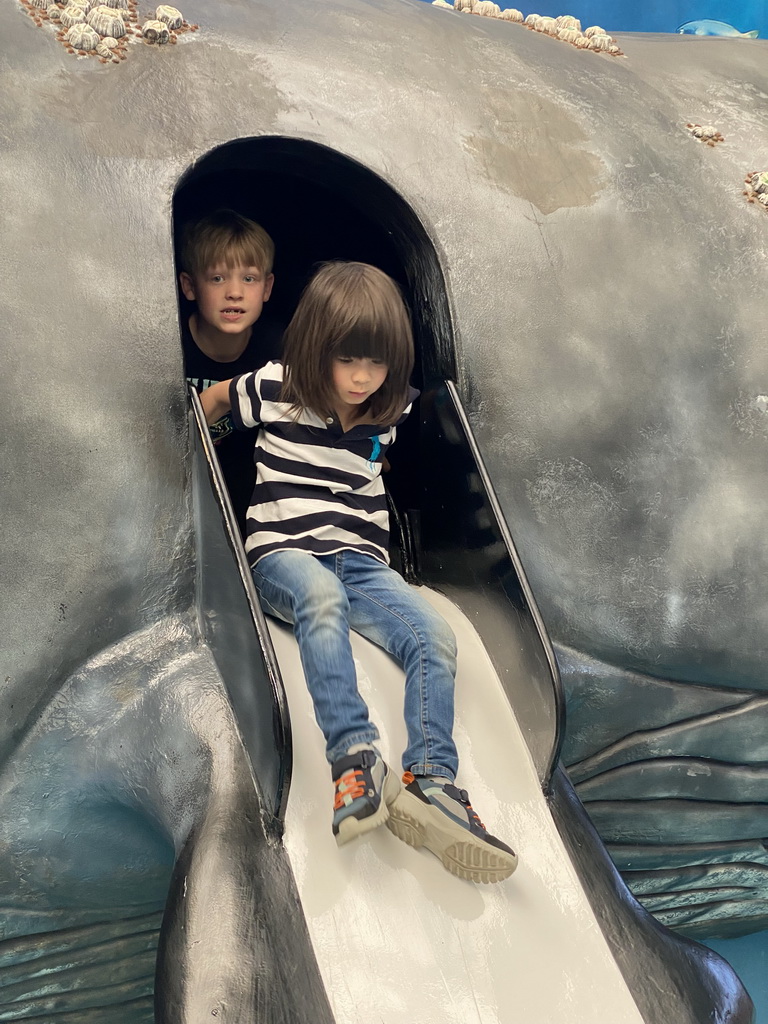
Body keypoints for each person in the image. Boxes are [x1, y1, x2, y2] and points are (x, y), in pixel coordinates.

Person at [200, 261, 517, 884]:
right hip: (283, 555)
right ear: (316, 348)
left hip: (363, 564)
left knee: (432, 636)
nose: (363, 378)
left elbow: (393, 465)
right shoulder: (275, 386)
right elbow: (208, 408)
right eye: (349, 361)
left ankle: (431, 783)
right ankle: (353, 757)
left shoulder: (391, 407)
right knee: (322, 599)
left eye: (377, 364)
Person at [178, 209, 283, 533]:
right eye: (218, 278)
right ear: (190, 285)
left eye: (248, 278)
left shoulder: (280, 349)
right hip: (176, 489)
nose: (234, 292)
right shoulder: (168, 343)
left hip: (250, 497)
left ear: (266, 288)